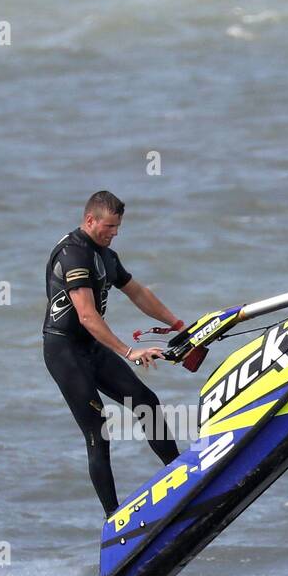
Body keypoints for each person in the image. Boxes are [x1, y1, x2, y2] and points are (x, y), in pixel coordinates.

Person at [43, 191, 183, 518]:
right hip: (65, 351)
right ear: (90, 220)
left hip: (91, 347)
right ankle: (114, 518)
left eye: (118, 227)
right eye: (109, 226)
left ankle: (181, 476)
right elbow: (87, 316)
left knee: (146, 401)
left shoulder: (106, 255)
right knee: (99, 431)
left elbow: (138, 292)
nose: (115, 233)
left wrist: (178, 325)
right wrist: (128, 351)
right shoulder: (73, 254)